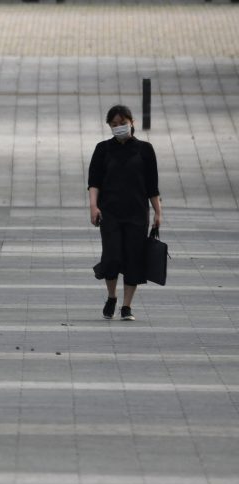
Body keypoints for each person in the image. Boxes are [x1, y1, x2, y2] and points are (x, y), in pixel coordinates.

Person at [87, 104, 163, 321]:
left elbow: (152, 186)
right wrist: (94, 206)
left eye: (123, 123)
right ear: (109, 126)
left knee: (134, 259)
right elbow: (94, 182)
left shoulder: (145, 150)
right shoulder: (102, 149)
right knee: (111, 257)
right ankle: (112, 296)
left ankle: (127, 306)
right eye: (115, 125)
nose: (119, 127)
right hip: (109, 212)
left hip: (137, 213)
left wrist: (158, 212)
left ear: (132, 123)